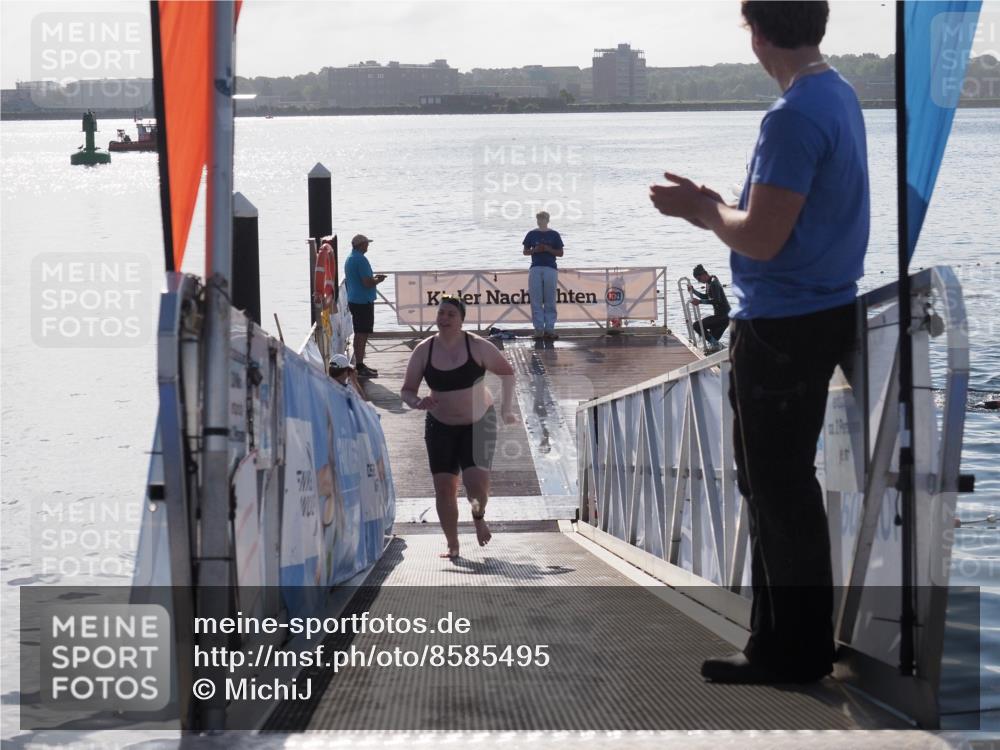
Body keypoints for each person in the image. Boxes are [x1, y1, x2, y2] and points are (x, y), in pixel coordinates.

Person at [649, 0, 868, 684]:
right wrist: (719, 202)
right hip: (822, 309)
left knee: (774, 485)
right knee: (783, 485)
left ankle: (789, 650)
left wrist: (704, 211)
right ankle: (792, 640)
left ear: (759, 34)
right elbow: (785, 219)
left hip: (782, 323)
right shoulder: (839, 95)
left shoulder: (793, 115)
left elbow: (763, 238)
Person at [400, 295, 518, 559]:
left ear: (462, 320)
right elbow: (406, 390)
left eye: (451, 314)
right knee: (444, 487)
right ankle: (452, 544)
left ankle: (478, 517)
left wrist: (506, 409)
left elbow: (508, 373)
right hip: (440, 425)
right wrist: (418, 401)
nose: (444, 319)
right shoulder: (424, 350)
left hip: (478, 423)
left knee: (476, 485)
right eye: (441, 313)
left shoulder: (477, 346)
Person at [344, 234, 387, 378]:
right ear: (361, 245)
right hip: (362, 302)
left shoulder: (350, 258)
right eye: (366, 243)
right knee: (362, 334)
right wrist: (378, 280)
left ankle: (359, 364)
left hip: (355, 300)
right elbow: (367, 282)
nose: (368, 245)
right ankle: (360, 366)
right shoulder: (361, 260)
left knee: (359, 333)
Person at [522, 211, 564, 340]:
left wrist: (547, 249)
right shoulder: (531, 234)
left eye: (543, 219)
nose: (541, 221)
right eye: (539, 219)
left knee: (550, 299)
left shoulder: (554, 234)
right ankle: (539, 329)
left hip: (550, 268)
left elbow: (560, 253)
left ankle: (550, 329)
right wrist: (535, 250)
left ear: (548, 220)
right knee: (536, 300)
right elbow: (525, 251)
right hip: (535, 267)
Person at [688, 264, 731, 348]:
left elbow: (717, 301)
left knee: (697, 325)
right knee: (712, 338)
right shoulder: (709, 282)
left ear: (704, 274)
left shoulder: (714, 283)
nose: (699, 281)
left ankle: (716, 346)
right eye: (697, 280)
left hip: (723, 317)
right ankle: (719, 349)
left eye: (699, 279)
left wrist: (699, 302)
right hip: (723, 317)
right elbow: (706, 296)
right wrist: (693, 291)